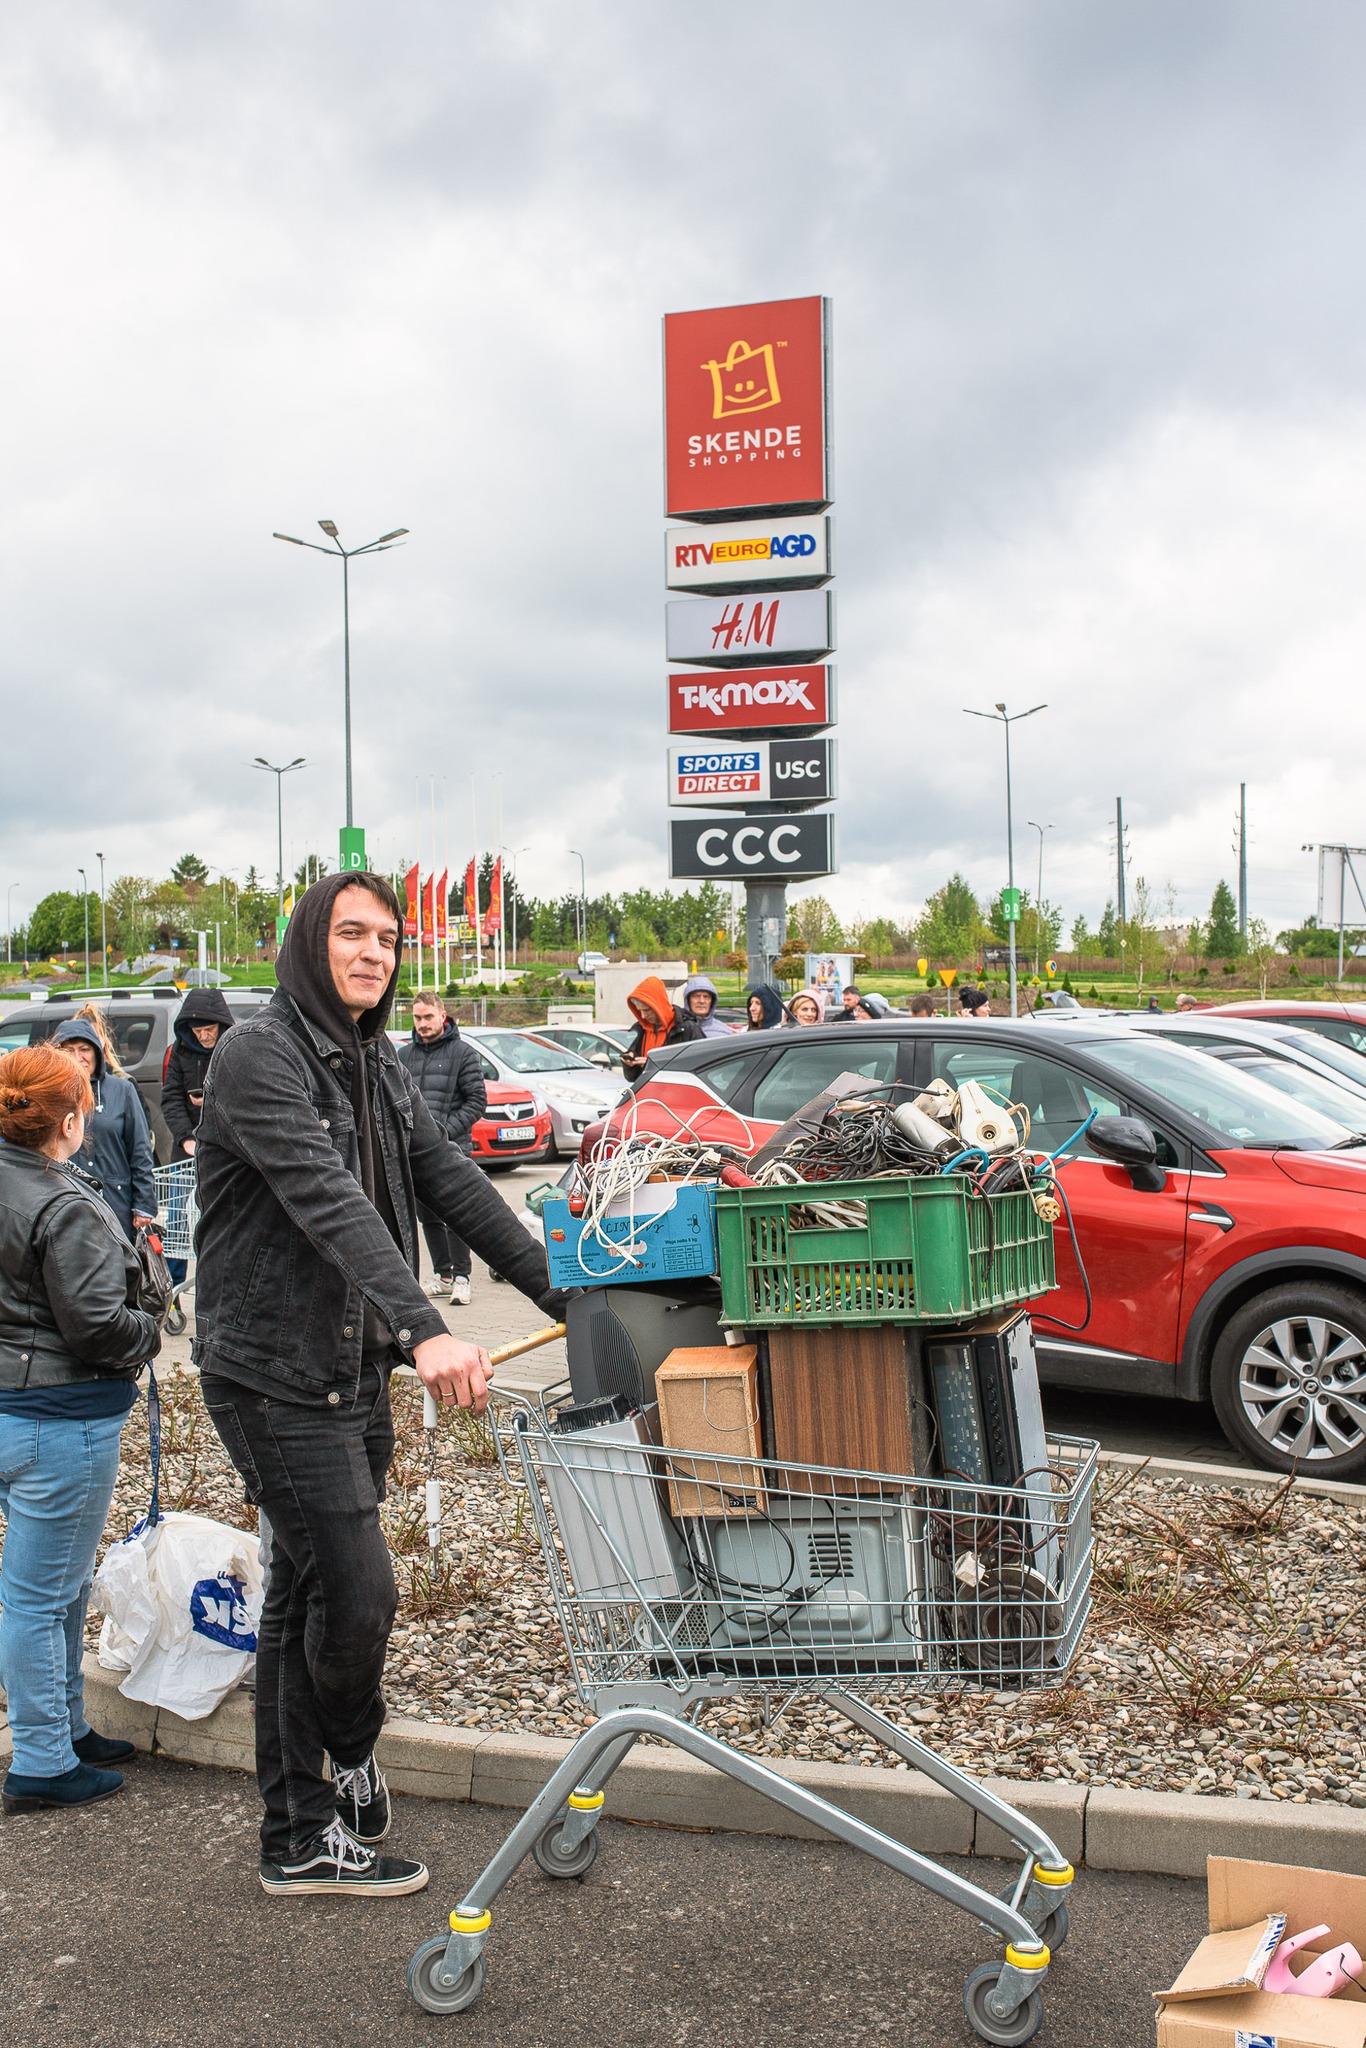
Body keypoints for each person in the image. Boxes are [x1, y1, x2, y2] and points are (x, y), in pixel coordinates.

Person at [192, 873, 569, 1899]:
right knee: (360, 1593)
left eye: (389, 938)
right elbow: (327, 1197)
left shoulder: (378, 1060)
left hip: (346, 1369)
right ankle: (348, 1745)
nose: (373, 952)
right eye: (351, 932)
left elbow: (445, 1177)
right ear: (308, 939)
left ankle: (295, 1829)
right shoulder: (256, 1055)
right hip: (271, 1372)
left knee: (304, 1593)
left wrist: (563, 1288)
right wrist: (426, 1325)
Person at [0, 1044, 163, 1815]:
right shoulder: (59, 1203)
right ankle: (40, 1759)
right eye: (87, 1099)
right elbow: (98, 1326)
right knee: (39, 1597)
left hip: (16, 1412)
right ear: (67, 1118)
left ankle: (63, 1730)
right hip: (59, 1419)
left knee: (54, 1589)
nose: (95, 1108)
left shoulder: (30, 1181)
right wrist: (151, 1330)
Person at [397, 992, 487, 1306]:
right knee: (430, 1218)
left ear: (442, 1015)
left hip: (451, 1149)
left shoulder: (463, 1053)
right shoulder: (404, 1056)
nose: (422, 1024)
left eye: (428, 1017)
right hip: (416, 1152)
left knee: (457, 1217)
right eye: (417, 1018)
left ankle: (463, 1279)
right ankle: (443, 1276)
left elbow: (477, 1101)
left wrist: (443, 1131)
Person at [51, 1018, 156, 1243]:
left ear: (97, 1053)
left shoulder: (123, 1090)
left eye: (84, 1049)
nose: (78, 1057)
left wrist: (144, 1203)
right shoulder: (50, 1096)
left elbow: (140, 1149)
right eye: (68, 1050)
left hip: (115, 1201)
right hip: (65, 1202)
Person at [162, 990, 235, 1160]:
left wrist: (213, 1100)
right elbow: (171, 1097)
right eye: (197, 1030)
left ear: (220, 1025)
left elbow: (246, 1096)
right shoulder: (180, 1050)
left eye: (209, 1029)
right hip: (188, 1148)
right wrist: (186, 1137)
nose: (203, 1036)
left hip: (227, 1146)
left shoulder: (234, 1048)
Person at [620, 974, 701, 1080]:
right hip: (650, 1093)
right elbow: (631, 1078)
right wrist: (630, 1063)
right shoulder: (641, 1030)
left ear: (658, 1006)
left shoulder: (688, 1028)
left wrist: (651, 1065)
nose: (643, 1016)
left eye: (646, 1010)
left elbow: (699, 1068)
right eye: (639, 1011)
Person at [679, 974, 730, 1038]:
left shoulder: (723, 1032)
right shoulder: (677, 1030)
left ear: (712, 1001)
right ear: (688, 1000)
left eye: (706, 997)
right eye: (696, 996)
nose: (701, 1001)